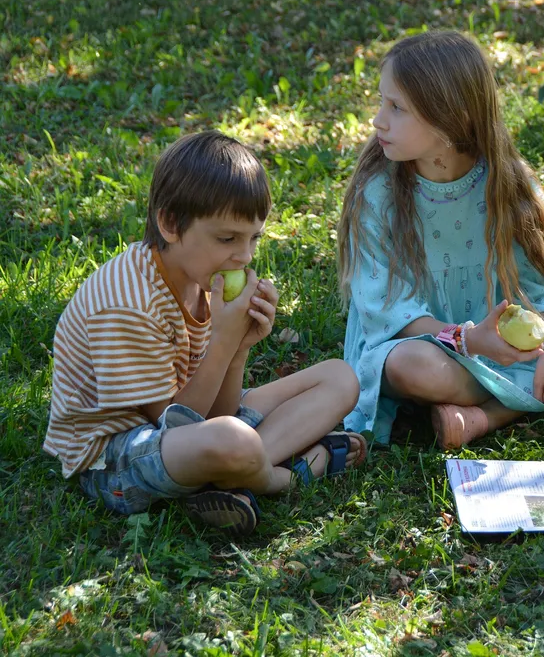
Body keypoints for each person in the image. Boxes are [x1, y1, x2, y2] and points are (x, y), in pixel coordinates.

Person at [337, 30, 544, 448]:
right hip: (430, 345)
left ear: (451, 118)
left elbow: (538, 287)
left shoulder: (507, 183)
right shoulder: (377, 195)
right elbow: (391, 316)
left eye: (396, 107)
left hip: (510, 337)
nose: (379, 119)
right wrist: (470, 341)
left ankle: (487, 417)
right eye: (383, 102)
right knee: (409, 366)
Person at [44, 131, 365, 536]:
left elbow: (217, 414)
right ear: (170, 223)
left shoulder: (197, 278)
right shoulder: (128, 305)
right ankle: (281, 477)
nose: (245, 256)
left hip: (191, 428)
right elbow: (175, 426)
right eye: (227, 238)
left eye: (253, 239)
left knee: (340, 376)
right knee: (232, 441)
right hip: (113, 459)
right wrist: (224, 342)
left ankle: (234, 473)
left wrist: (238, 349)